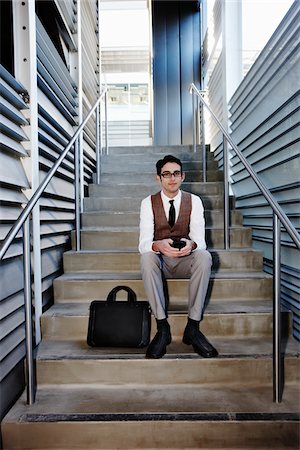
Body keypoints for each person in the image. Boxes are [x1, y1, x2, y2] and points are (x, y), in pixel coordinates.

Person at [139, 154, 218, 359]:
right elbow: (143, 244)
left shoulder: (195, 201)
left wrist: (191, 244)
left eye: (176, 173)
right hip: (162, 262)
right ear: (159, 178)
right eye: (166, 174)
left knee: (204, 256)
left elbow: (200, 241)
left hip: (185, 260)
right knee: (147, 258)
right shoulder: (148, 203)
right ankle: (162, 328)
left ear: (182, 176)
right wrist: (158, 245)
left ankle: (192, 327)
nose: (172, 178)